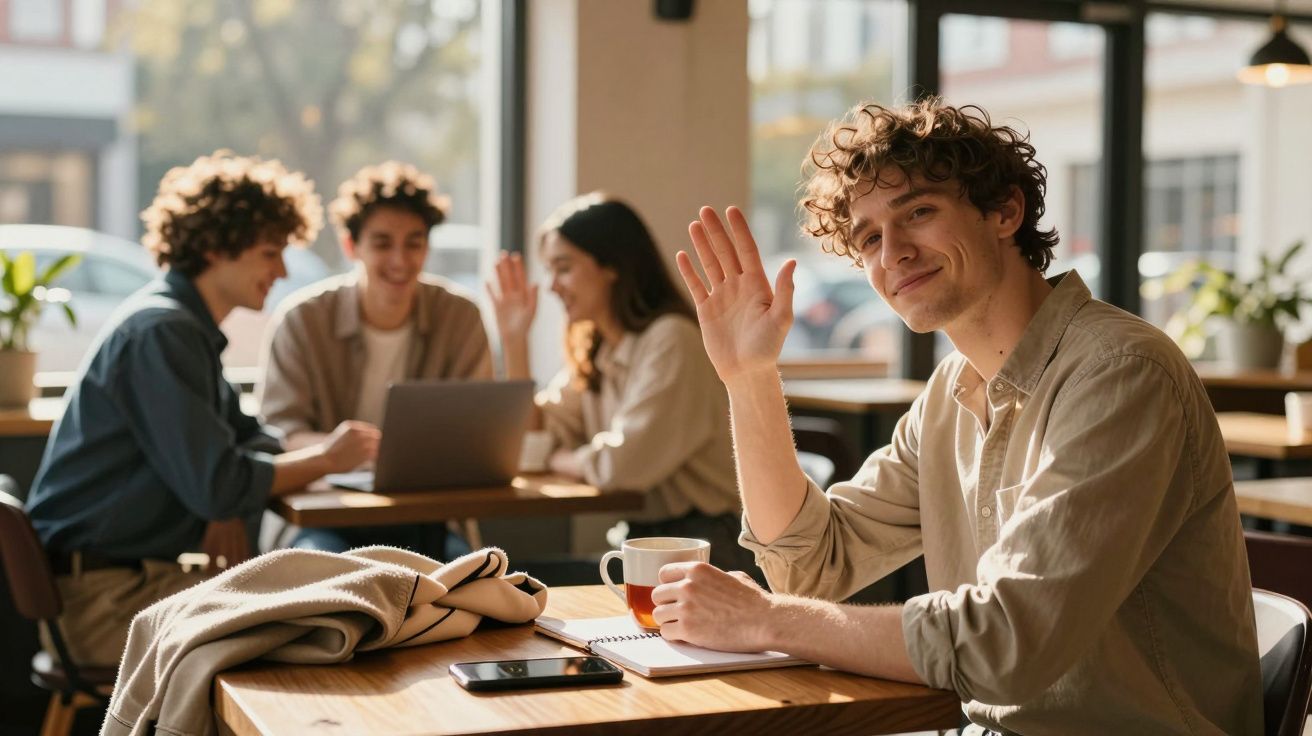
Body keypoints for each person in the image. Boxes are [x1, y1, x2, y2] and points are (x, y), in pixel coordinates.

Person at [655, 99, 1263, 734]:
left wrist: (763, 620)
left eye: (918, 212)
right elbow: (813, 566)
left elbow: (1007, 641)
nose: (892, 253)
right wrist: (749, 379)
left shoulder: (1120, 372)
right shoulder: (952, 390)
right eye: (867, 238)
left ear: (1005, 211)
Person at [25, 151, 379, 668]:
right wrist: (326, 458)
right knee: (324, 630)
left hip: (131, 584)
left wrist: (227, 500)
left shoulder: (184, 331)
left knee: (323, 611)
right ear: (216, 247)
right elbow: (220, 480)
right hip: (103, 604)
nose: (281, 271)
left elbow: (251, 441)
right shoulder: (163, 333)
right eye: (269, 252)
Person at [486, 193, 756, 575]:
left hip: (708, 548)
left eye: (563, 268)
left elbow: (622, 467)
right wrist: (515, 343)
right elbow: (532, 444)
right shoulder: (598, 348)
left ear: (611, 265)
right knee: (511, 581)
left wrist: (562, 458)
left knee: (521, 585)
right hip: (642, 540)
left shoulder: (672, 340)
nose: (551, 286)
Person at [258, 161, 491, 556]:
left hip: (428, 515)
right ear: (352, 247)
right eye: (383, 243)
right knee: (319, 582)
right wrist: (359, 452)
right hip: (323, 513)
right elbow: (280, 434)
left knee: (470, 584)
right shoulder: (303, 320)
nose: (400, 260)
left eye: (414, 243)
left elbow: (478, 434)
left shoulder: (460, 316)